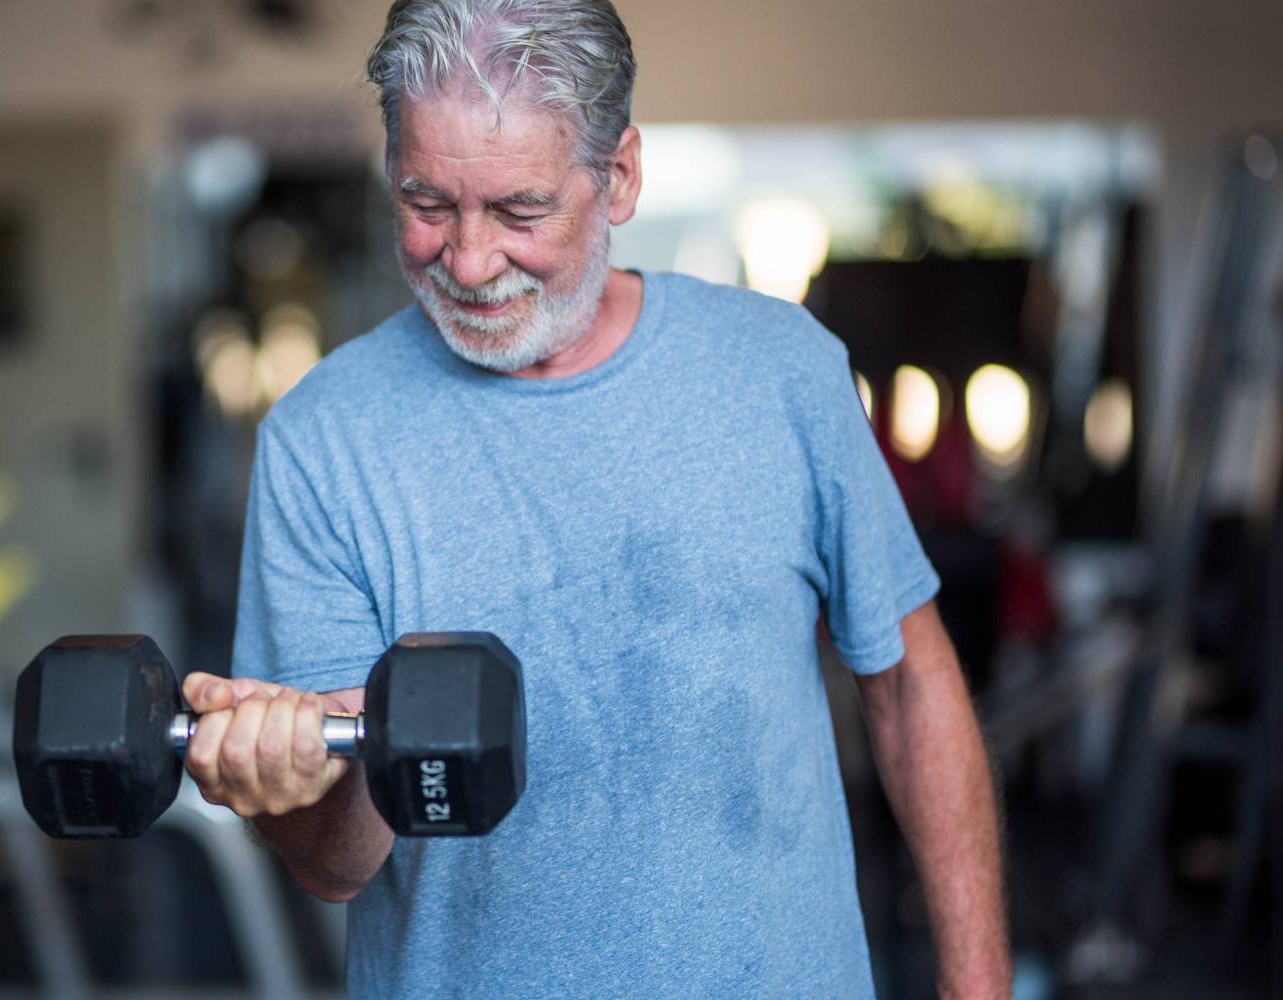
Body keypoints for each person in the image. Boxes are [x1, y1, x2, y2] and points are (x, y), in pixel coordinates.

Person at [178, 1, 1010, 995]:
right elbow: (338, 861)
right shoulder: (324, 438)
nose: (471, 260)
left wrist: (978, 987)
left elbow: (910, 685)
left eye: (520, 211)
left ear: (618, 176)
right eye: (427, 202)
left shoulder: (779, 372)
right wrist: (286, 792)